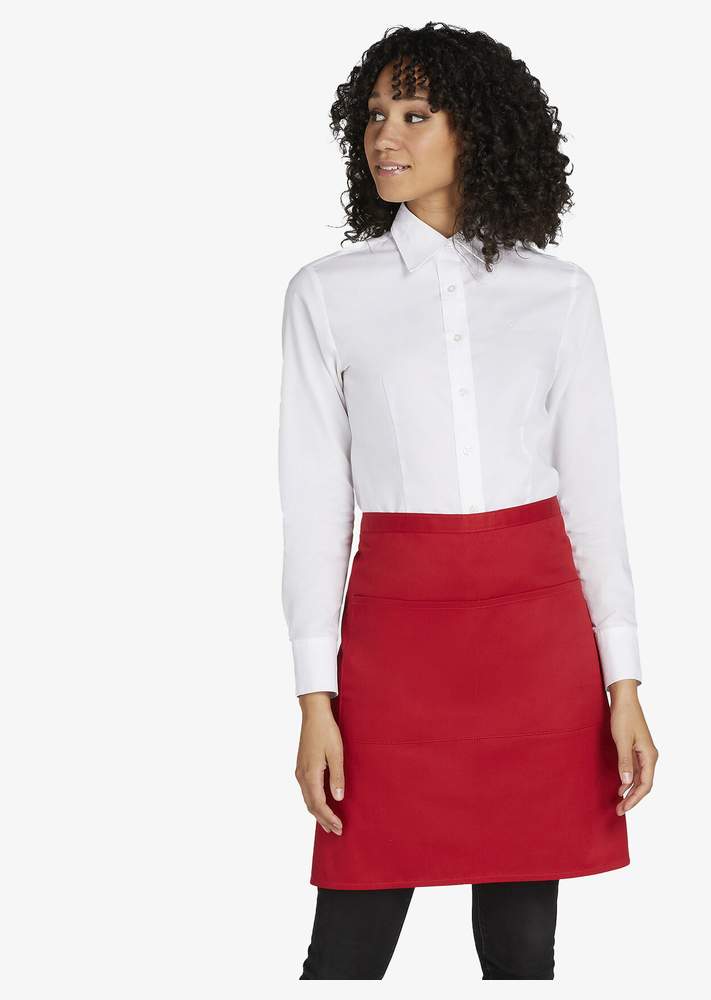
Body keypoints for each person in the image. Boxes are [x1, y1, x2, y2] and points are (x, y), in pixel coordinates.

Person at [278, 22, 659, 980]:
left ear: (475, 130)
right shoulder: (326, 295)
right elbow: (315, 508)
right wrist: (315, 700)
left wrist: (624, 686)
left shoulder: (558, 295)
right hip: (394, 645)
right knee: (346, 950)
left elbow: (595, 500)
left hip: (538, 644)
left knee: (523, 952)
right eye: (375, 115)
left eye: (415, 114)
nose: (385, 135)